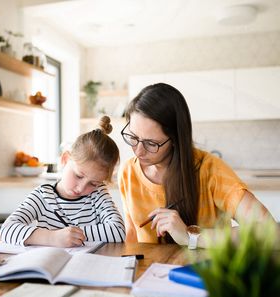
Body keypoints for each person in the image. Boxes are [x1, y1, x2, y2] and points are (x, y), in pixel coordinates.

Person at [118, 82, 275, 248]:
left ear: (175, 139)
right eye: (133, 137)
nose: (138, 151)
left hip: (204, 271)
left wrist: (190, 236)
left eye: (151, 143)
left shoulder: (211, 170)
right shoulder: (128, 171)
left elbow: (270, 232)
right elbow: (132, 235)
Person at [0, 116, 126, 247]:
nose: (81, 188)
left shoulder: (98, 194)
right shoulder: (42, 196)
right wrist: (52, 237)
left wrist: (72, 235)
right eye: (78, 175)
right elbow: (7, 229)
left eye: (93, 183)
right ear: (65, 159)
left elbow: (118, 231)